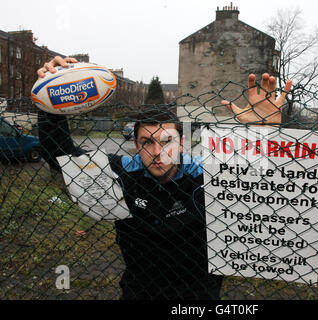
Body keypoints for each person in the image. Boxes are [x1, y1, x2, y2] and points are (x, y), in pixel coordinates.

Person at [36, 56, 292, 300]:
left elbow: (263, 180)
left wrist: (265, 132)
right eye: (147, 142)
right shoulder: (122, 171)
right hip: (139, 291)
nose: (158, 153)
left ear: (181, 143)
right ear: (135, 144)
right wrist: (51, 101)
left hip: (198, 294)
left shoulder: (206, 174)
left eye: (167, 141)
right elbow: (59, 154)